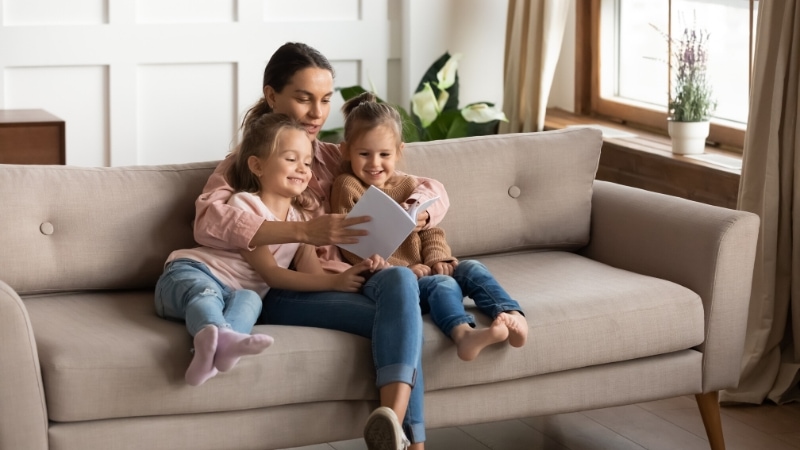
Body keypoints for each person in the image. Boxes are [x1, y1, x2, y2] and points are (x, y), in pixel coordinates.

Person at [193, 42, 445, 450]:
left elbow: (431, 188)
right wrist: (304, 233)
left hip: (354, 276)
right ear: (272, 96)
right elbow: (209, 221)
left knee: (401, 280)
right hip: (289, 287)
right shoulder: (249, 160)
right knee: (406, 320)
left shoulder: (331, 156)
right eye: (304, 98)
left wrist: (415, 213)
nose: (316, 113)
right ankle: (412, 445)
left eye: (326, 100)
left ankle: (391, 427)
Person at [331, 92, 529, 362]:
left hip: (426, 270)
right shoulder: (347, 186)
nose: (375, 163)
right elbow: (353, 245)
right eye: (364, 154)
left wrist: (438, 258)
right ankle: (463, 335)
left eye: (384, 154)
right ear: (345, 151)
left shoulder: (411, 187)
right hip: (390, 282)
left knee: (472, 268)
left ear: (400, 151)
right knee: (442, 284)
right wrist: (404, 270)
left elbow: (432, 231)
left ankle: (512, 314)